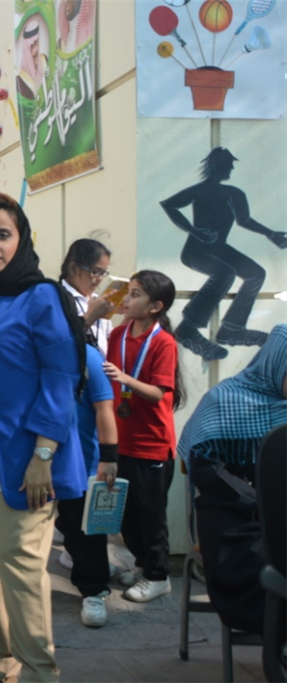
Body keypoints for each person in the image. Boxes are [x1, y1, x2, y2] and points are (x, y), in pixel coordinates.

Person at [0, 193, 85, 683]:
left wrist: (43, 454)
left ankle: (40, 672)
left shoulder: (42, 297)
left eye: (3, 235)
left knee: (23, 571)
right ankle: (2, 664)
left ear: (22, 238)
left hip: (26, 463)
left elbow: (61, 378)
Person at [179, 325, 287, 634]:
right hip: (232, 512)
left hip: (277, 511)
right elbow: (207, 471)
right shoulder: (223, 399)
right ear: (276, 363)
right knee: (264, 559)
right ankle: (274, 636)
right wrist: (261, 505)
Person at [102, 270, 185, 603]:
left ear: (155, 307)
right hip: (121, 440)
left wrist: (125, 379)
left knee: (151, 516)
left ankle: (158, 576)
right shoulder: (118, 334)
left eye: (135, 294)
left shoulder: (163, 342)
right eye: (128, 292)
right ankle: (142, 565)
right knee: (126, 515)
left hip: (151, 444)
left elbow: (158, 393)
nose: (126, 299)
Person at [161, 147, 287, 361]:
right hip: (196, 250)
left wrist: (270, 233)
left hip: (219, 248)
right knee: (225, 273)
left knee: (256, 273)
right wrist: (194, 231)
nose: (230, 169)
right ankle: (187, 329)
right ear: (215, 167)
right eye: (227, 165)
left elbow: (244, 220)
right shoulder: (199, 191)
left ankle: (232, 329)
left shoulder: (234, 193)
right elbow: (169, 205)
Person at [53, 343, 119, 627]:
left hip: (80, 461)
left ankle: (94, 590)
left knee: (87, 530)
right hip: (37, 459)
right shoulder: (33, 349)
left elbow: (104, 407)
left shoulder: (88, 356)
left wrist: (109, 457)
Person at [59, 238, 115, 355]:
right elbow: (60, 341)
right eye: (95, 271)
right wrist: (91, 315)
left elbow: (109, 339)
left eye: (103, 273)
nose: (99, 278)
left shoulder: (98, 299)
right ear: (74, 269)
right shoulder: (58, 297)